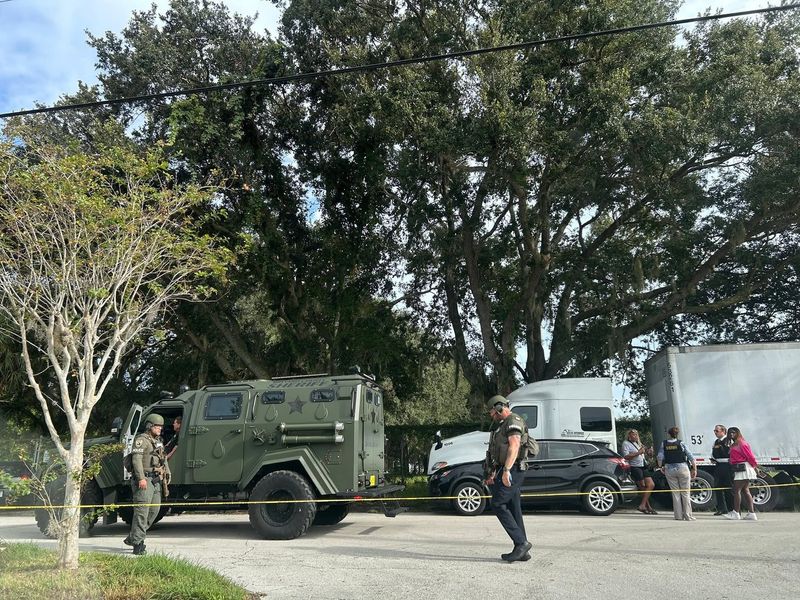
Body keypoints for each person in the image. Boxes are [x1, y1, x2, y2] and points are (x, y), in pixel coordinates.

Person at [484, 395, 532, 562]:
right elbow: (499, 452)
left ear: (498, 407)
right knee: (513, 506)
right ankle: (522, 550)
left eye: (492, 411)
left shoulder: (513, 420)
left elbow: (515, 445)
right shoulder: (502, 425)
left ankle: (521, 543)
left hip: (514, 469)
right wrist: (493, 472)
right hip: (508, 469)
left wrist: (506, 470)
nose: (491, 415)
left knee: (498, 503)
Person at [124, 413, 171, 555]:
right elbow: (136, 460)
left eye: (161, 427)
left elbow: (163, 458)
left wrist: (167, 472)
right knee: (141, 512)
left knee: (154, 510)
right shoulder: (141, 440)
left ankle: (133, 537)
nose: (160, 429)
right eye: (157, 426)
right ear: (150, 426)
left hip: (156, 480)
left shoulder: (157, 441)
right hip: (144, 479)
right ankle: (138, 544)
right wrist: (140, 478)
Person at [656, 426, 697, 521]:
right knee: (685, 493)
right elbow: (690, 456)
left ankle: (678, 516)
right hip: (682, 468)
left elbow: (659, 456)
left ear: (669, 434)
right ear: (677, 434)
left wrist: (660, 466)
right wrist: (694, 469)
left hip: (669, 469)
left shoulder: (664, 443)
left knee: (675, 493)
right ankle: (688, 515)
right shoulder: (681, 443)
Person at [725, 426, 759, 521]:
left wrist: (755, 466)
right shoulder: (735, 444)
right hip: (739, 467)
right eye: (730, 433)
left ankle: (736, 512)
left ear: (737, 433)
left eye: (733, 432)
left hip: (744, 467)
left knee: (736, 490)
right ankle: (751, 513)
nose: (731, 434)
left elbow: (750, 456)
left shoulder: (742, 443)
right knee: (745, 490)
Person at [621, 429, 657, 514]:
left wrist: (649, 452)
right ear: (629, 436)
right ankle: (647, 507)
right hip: (635, 467)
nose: (636, 436)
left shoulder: (638, 443)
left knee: (651, 485)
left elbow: (645, 454)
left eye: (636, 434)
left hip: (643, 466)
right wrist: (638, 453)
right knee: (642, 487)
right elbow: (625, 456)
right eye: (633, 435)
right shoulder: (626, 444)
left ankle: (643, 505)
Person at [711, 424, 733, 516]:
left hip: (727, 465)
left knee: (728, 487)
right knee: (718, 487)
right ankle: (721, 508)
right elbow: (713, 453)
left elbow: (731, 453)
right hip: (718, 465)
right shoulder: (716, 442)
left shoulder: (728, 441)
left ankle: (731, 508)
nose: (715, 433)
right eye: (714, 431)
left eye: (717, 431)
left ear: (723, 431)